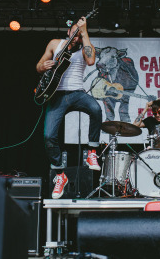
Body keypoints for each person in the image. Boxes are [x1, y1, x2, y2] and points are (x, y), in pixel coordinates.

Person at [36, 16, 103, 199]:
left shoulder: (83, 49)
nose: (76, 38)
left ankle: (92, 152)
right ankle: (60, 175)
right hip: (57, 94)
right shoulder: (55, 44)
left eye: (79, 36)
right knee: (49, 136)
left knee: (96, 109)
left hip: (77, 92)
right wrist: (44, 66)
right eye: (74, 34)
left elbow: (90, 61)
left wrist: (85, 31)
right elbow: (38, 66)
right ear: (68, 32)